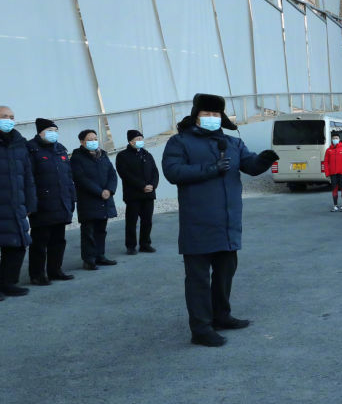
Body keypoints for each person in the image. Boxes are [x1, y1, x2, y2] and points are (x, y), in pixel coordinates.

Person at [161, 93, 277, 347]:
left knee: (226, 273)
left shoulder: (232, 143)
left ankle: (221, 315)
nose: (212, 118)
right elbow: (172, 171)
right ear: (196, 116)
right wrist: (210, 169)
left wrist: (265, 159)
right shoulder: (179, 142)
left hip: (227, 223)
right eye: (206, 114)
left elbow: (250, 166)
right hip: (198, 222)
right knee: (198, 279)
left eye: (216, 114)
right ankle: (201, 329)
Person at [0, 106, 36, 301]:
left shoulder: (19, 142)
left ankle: (9, 283)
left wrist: (30, 202)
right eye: (4, 117)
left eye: (12, 117)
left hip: (14, 205)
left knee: (17, 246)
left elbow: (27, 175)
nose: (9, 120)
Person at [26, 118, 76, 285]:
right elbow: (28, 179)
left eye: (55, 130)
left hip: (61, 202)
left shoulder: (60, 149)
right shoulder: (31, 149)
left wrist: (71, 198)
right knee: (40, 242)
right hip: (42, 204)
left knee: (58, 240)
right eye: (49, 130)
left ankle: (55, 270)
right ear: (40, 132)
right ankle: (37, 274)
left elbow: (68, 177)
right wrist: (31, 203)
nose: (53, 133)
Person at [71, 129, 118, 270]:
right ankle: (89, 259)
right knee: (88, 231)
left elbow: (112, 173)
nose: (93, 141)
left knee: (101, 230)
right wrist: (99, 192)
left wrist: (109, 190)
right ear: (82, 142)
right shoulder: (77, 157)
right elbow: (80, 178)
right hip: (89, 200)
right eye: (89, 139)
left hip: (105, 199)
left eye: (95, 138)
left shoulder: (102, 154)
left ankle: (100, 256)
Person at [115, 129, 159, 254]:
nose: (140, 141)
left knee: (147, 221)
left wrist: (153, 185)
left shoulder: (147, 154)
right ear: (130, 141)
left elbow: (155, 172)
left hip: (149, 194)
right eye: (137, 139)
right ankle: (131, 246)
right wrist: (142, 186)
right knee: (132, 221)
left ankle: (145, 243)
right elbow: (125, 174)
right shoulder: (122, 156)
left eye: (141, 139)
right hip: (133, 194)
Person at [323, 132, 342, 212]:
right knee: (334, 189)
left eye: (336, 138)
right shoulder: (328, 150)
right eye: (333, 138)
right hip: (333, 173)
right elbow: (326, 162)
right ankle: (335, 205)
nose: (335, 140)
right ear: (331, 140)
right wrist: (327, 173)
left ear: (339, 139)